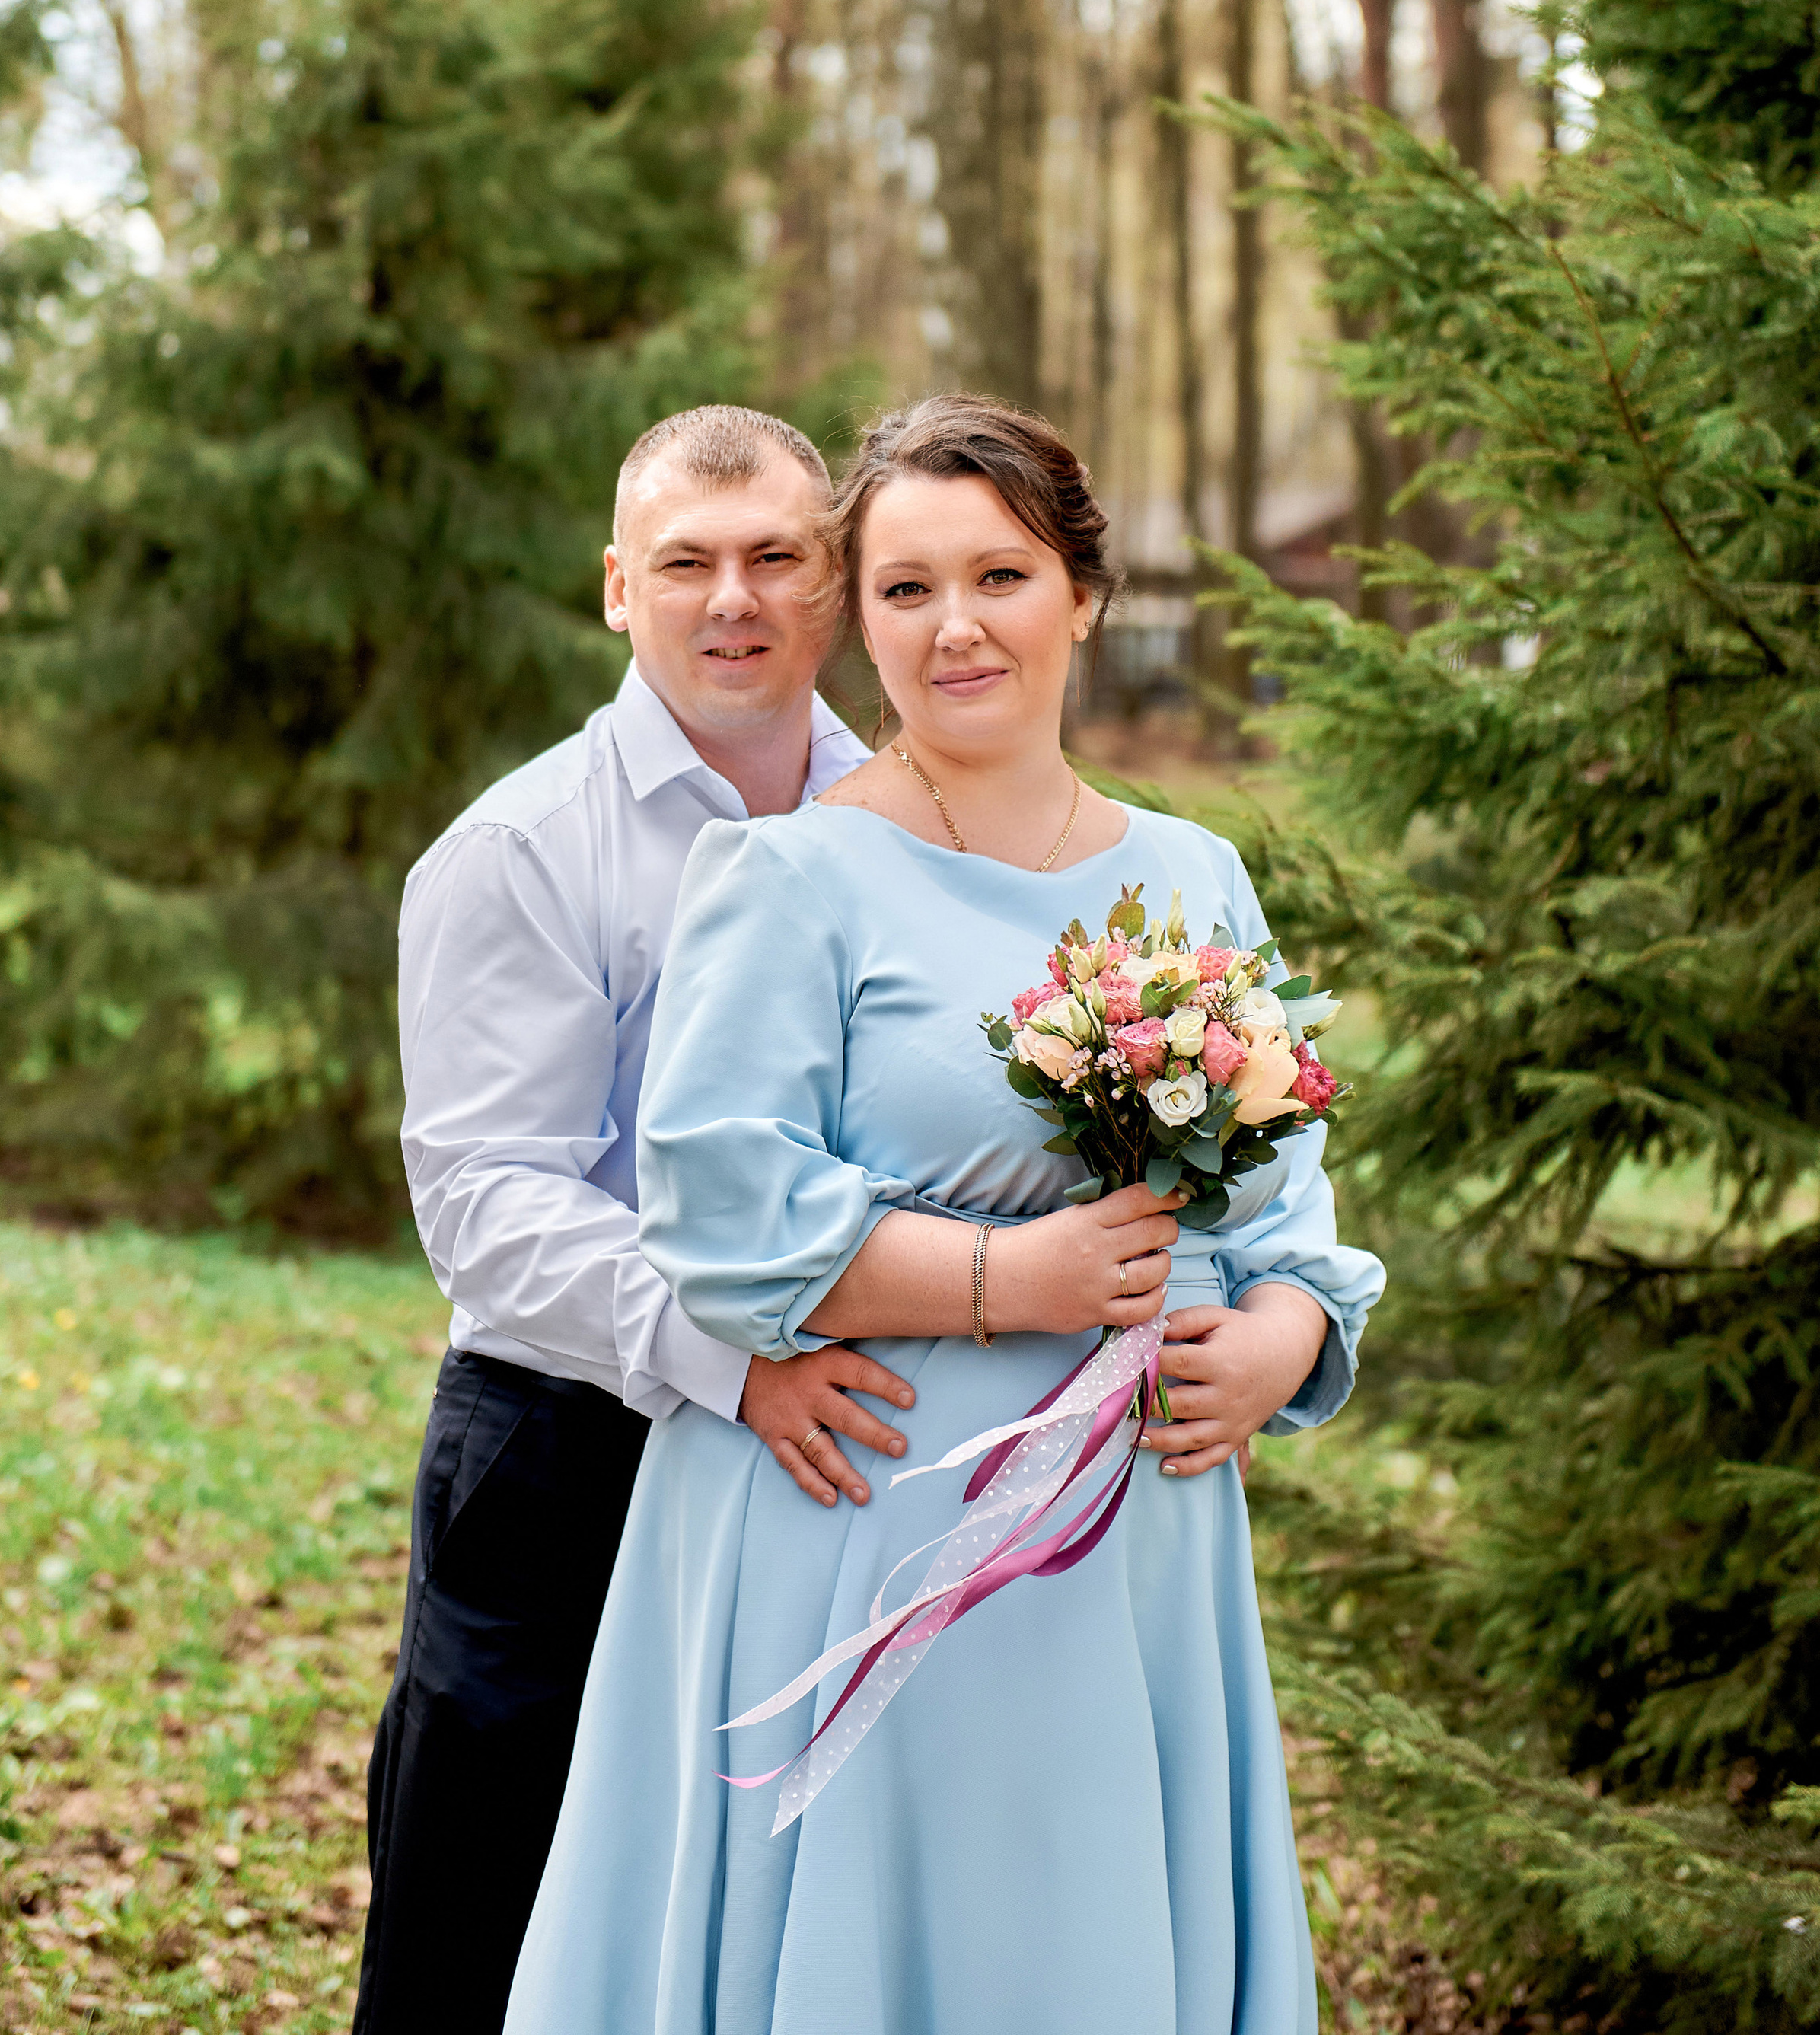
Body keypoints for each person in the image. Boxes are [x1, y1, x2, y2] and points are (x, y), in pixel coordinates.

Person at [506, 394, 1385, 2035]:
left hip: (1131, 1543)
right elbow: (718, 1201)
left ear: (1080, 595)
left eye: (996, 577)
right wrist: (1016, 1275)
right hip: (865, 1516)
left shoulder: (1193, 876)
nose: (953, 628)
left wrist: (1280, 1336)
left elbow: (1281, 1198)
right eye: (905, 589)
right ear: (863, 620)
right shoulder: (791, 877)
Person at [355, 405, 920, 2035]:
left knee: (742, 1930)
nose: (730, 599)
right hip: (565, 1449)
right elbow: (486, 1205)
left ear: (833, 581)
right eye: (686, 562)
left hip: (841, 1456)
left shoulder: (908, 827)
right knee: (486, 1917)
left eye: (774, 559)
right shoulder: (523, 849)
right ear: (618, 587)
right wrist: (736, 1367)